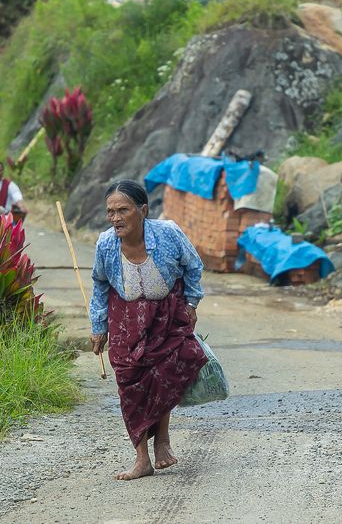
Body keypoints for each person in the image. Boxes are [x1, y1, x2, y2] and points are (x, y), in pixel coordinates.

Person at [89, 179, 209, 480]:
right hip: (124, 318)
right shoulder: (106, 243)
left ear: (142, 210)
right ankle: (142, 458)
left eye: (123, 210)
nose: (115, 218)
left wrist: (192, 303)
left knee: (170, 368)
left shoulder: (168, 233)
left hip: (166, 312)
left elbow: (193, 266)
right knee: (131, 385)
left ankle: (163, 440)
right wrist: (98, 326)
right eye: (110, 211)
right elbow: (100, 284)